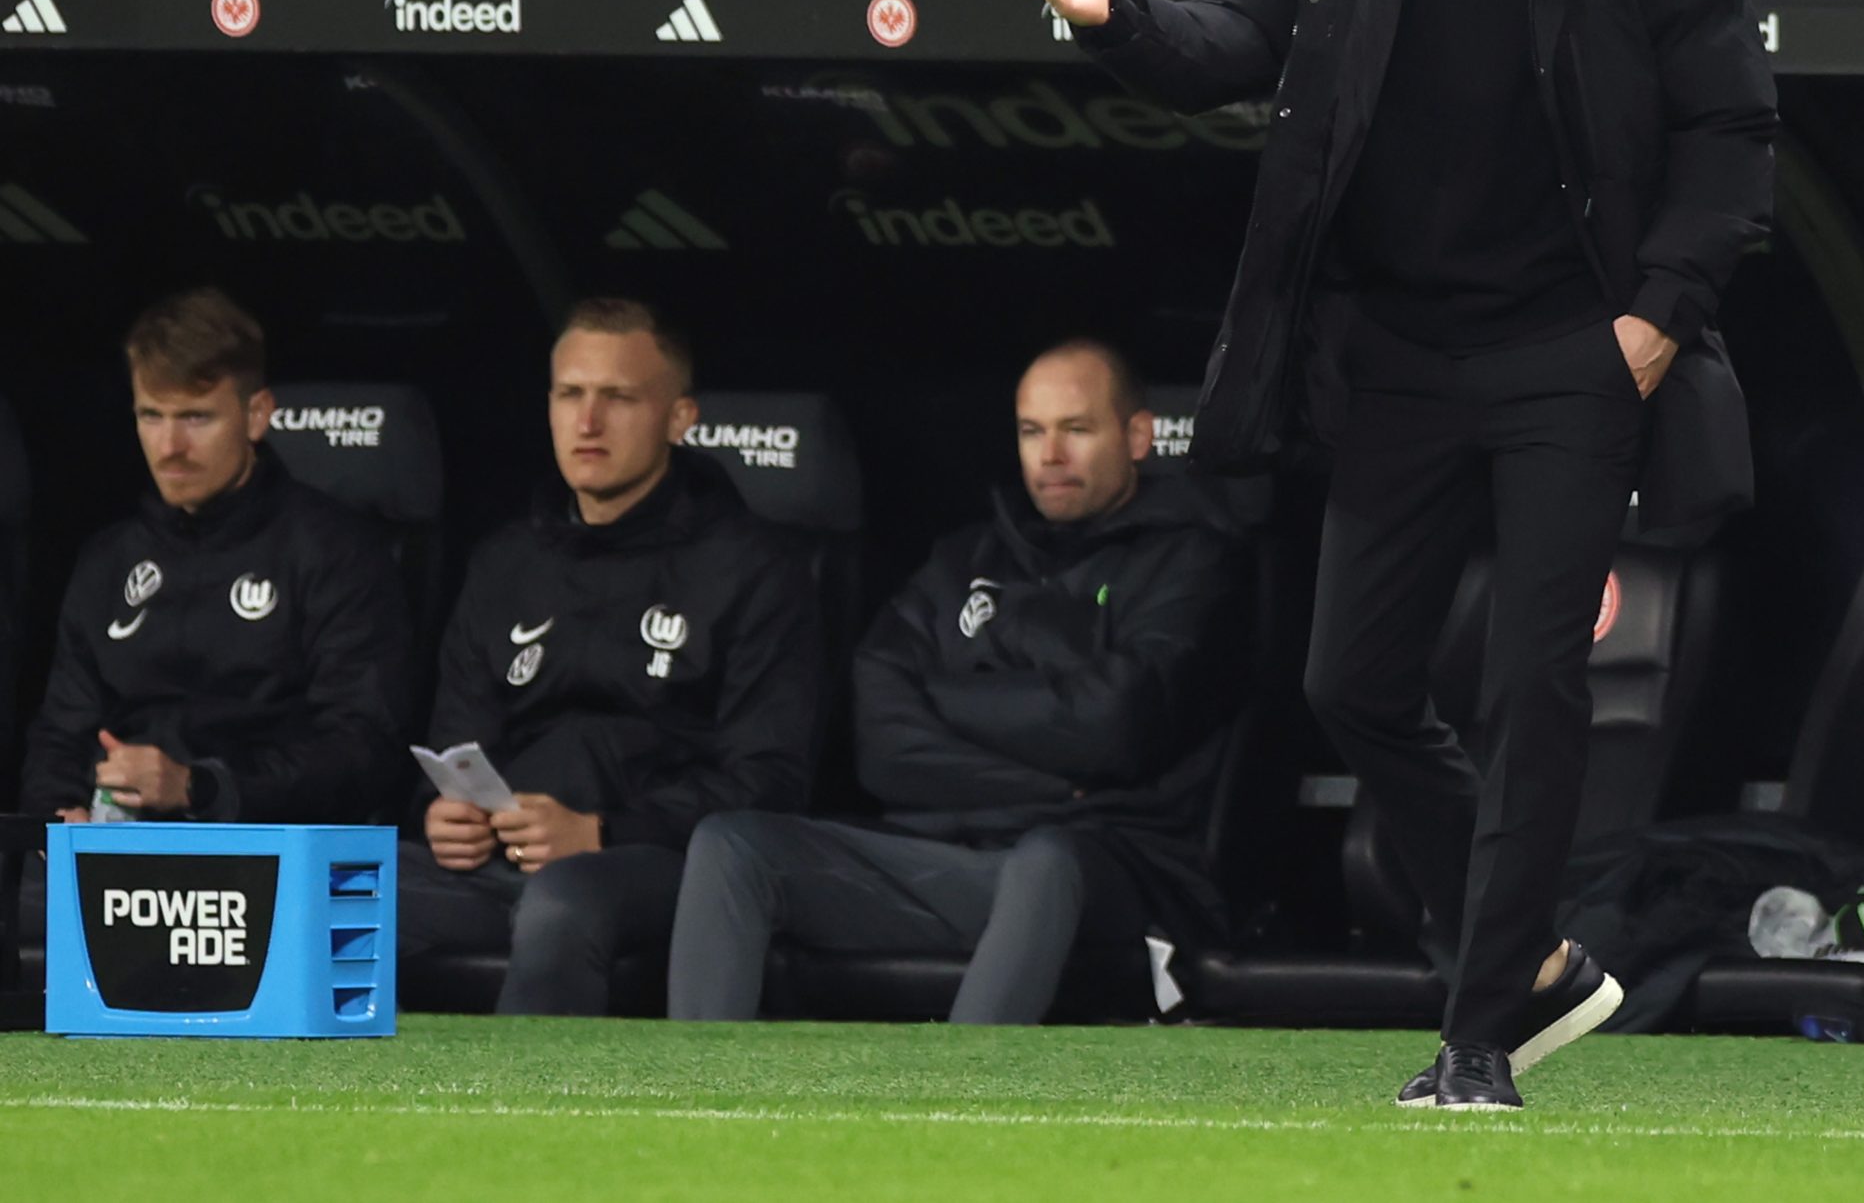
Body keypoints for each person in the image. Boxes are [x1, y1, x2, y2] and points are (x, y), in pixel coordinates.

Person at [1000, 0, 1776, 1109]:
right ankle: (1530, 959)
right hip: (1399, 356)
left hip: (1571, 354)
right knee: (1350, 684)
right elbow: (1226, 39)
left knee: (1533, 687)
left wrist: (1656, 319)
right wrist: (1112, 20)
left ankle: (1478, 1041)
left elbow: (1732, 137)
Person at [666, 340, 1248, 1024]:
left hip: (1110, 873)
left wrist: (947, 698)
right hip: (949, 860)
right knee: (732, 845)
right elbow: (881, 740)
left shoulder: (1193, 561)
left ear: (1138, 436)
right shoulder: (962, 559)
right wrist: (1059, 783)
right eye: (1032, 431)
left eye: (1077, 429)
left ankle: (960, 1087)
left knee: (1045, 860)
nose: (1050, 454)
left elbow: (1116, 723)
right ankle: (697, 1089)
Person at [397, 298, 820, 1017]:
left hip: (654, 863)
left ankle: (529, 1096)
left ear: (679, 418)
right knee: (332, 888)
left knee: (563, 902)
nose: (587, 422)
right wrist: (443, 816)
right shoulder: (504, 562)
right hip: (494, 863)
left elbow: (770, 779)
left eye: (618, 398)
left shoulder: (752, 567)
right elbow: (453, 743)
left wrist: (601, 832)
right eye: (570, 395)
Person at [15, 289, 410, 930]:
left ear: (256, 415)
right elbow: (62, 729)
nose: (169, 445)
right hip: (114, 862)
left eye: (196, 418)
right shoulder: (108, 560)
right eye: (151, 416)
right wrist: (60, 814)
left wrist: (200, 787)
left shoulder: (334, 551)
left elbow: (362, 748)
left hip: (269, 859)